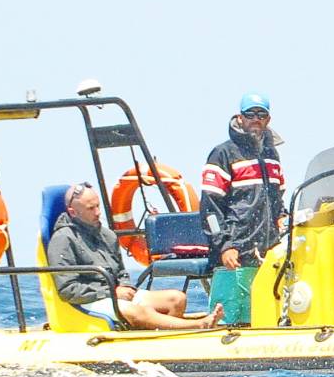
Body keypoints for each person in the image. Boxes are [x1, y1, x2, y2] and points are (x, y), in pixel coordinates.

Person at [48, 183, 223, 329]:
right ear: (73, 212)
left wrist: (125, 288)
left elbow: (121, 272)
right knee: (140, 311)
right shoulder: (63, 239)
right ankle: (199, 324)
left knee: (176, 299)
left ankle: (161, 338)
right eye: (90, 208)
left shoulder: (107, 235)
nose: (97, 212)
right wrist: (111, 292)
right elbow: (67, 290)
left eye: (98, 206)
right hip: (90, 299)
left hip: (115, 293)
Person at [199, 92, 286, 323]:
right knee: (228, 318)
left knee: (261, 318)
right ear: (240, 118)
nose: (255, 119)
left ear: (268, 119)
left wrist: (282, 218)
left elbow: (278, 199)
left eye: (261, 115)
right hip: (234, 254)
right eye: (250, 114)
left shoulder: (271, 155)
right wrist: (224, 246)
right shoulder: (223, 154)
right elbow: (209, 210)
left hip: (266, 254)